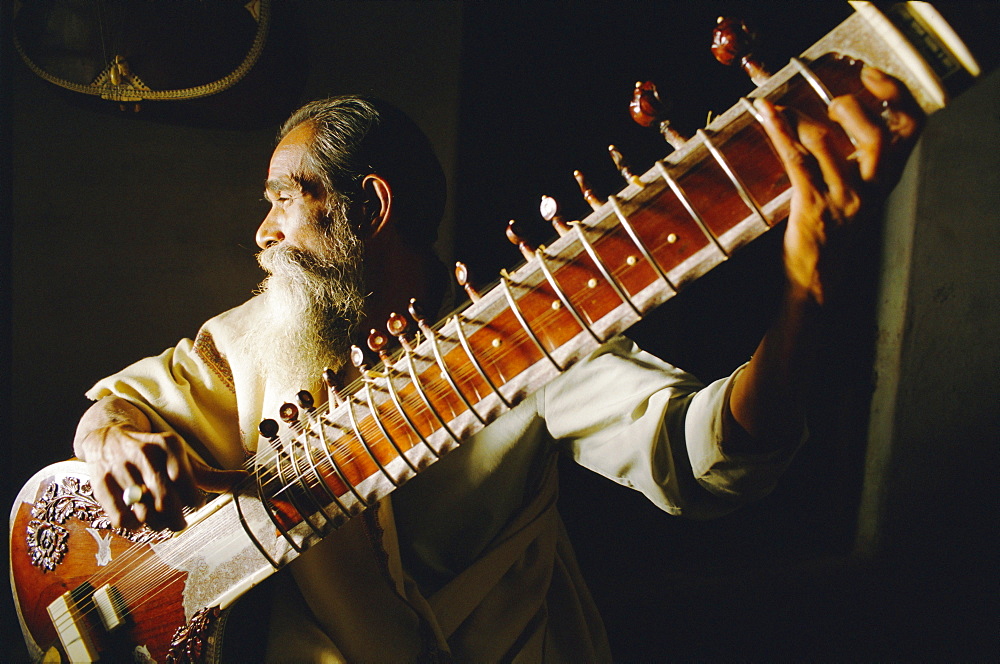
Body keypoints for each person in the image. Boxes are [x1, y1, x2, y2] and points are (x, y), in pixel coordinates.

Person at [72, 67, 922, 661]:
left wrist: (808, 292)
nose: (262, 234)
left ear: (371, 206)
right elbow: (111, 411)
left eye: (286, 198)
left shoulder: (518, 342)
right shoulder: (255, 337)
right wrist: (115, 442)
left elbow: (701, 462)